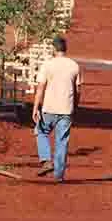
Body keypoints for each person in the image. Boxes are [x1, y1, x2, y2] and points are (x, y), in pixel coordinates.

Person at [32, 36, 81, 182]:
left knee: (41, 131)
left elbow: (40, 87)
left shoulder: (48, 65)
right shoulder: (74, 65)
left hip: (49, 108)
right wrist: (75, 106)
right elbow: (78, 89)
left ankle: (46, 160)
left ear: (54, 49)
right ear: (65, 49)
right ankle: (59, 175)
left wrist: (35, 107)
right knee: (62, 141)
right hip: (66, 109)